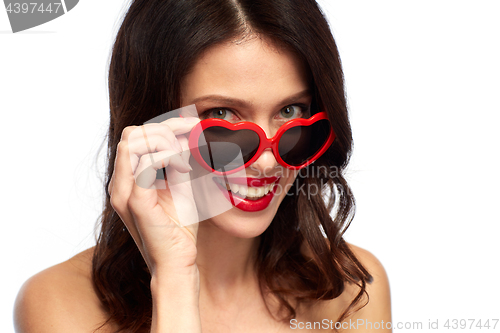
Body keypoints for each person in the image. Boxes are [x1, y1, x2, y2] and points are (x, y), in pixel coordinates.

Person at [14, 0, 391, 332]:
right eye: (222, 116)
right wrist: (175, 279)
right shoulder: (57, 305)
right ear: (153, 122)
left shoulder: (353, 292)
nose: (265, 162)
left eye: (290, 111)